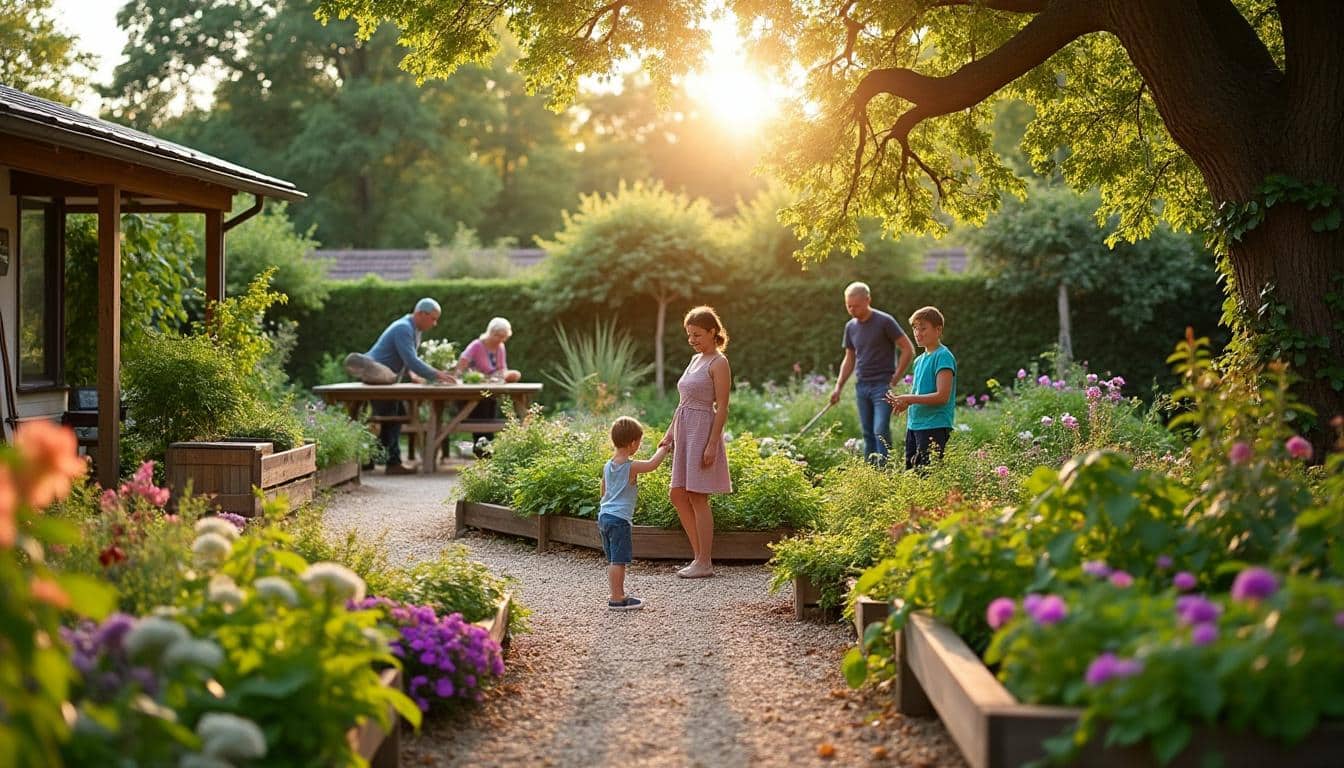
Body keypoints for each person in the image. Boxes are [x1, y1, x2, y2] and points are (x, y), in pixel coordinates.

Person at [659, 306, 732, 579]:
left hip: (703, 430)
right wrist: (670, 433)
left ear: (713, 332)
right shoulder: (694, 360)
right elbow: (682, 403)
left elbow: (722, 407)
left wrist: (713, 444)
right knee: (678, 494)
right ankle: (699, 557)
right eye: (689, 335)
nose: (692, 340)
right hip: (684, 427)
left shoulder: (719, 363)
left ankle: (704, 562)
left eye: (697, 334)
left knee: (697, 496)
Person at [361, 298, 455, 474]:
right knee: (392, 418)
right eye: (433, 318)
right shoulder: (403, 328)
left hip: (386, 382)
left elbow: (404, 359)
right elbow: (411, 360)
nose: (435, 323)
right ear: (421, 313)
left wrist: (414, 375)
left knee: (390, 418)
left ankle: (374, 460)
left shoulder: (414, 329)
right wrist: (436, 375)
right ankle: (391, 463)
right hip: (377, 378)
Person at [828, 282, 915, 466]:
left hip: (882, 386)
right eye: (848, 305)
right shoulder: (850, 327)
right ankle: (870, 473)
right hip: (862, 386)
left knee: (880, 429)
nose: (852, 310)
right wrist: (838, 388)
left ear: (868, 300)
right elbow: (849, 359)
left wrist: (895, 378)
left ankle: (885, 472)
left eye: (856, 306)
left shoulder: (885, 321)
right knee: (867, 432)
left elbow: (908, 349)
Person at [599, 416, 672, 611]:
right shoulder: (631, 466)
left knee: (614, 559)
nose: (638, 446)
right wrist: (664, 448)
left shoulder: (608, 465)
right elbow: (652, 464)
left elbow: (603, 491)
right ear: (632, 443)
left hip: (604, 516)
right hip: (619, 519)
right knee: (619, 560)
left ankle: (615, 592)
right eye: (639, 442)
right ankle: (617, 598)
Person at [886, 306, 957, 470]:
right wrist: (904, 403)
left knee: (926, 478)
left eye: (923, 328)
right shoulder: (919, 360)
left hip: (934, 426)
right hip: (915, 425)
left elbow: (942, 396)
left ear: (938, 330)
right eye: (915, 328)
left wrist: (909, 399)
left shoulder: (943, 356)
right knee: (912, 476)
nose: (918, 333)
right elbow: (919, 393)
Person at [455, 317, 521, 456]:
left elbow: (502, 368)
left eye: (503, 337)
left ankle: (487, 447)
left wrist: (504, 376)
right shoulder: (477, 345)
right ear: (490, 332)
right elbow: (462, 363)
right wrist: (465, 377)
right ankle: (481, 447)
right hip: (474, 390)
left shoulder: (500, 347)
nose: (500, 339)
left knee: (491, 408)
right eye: (497, 336)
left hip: (492, 388)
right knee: (482, 408)